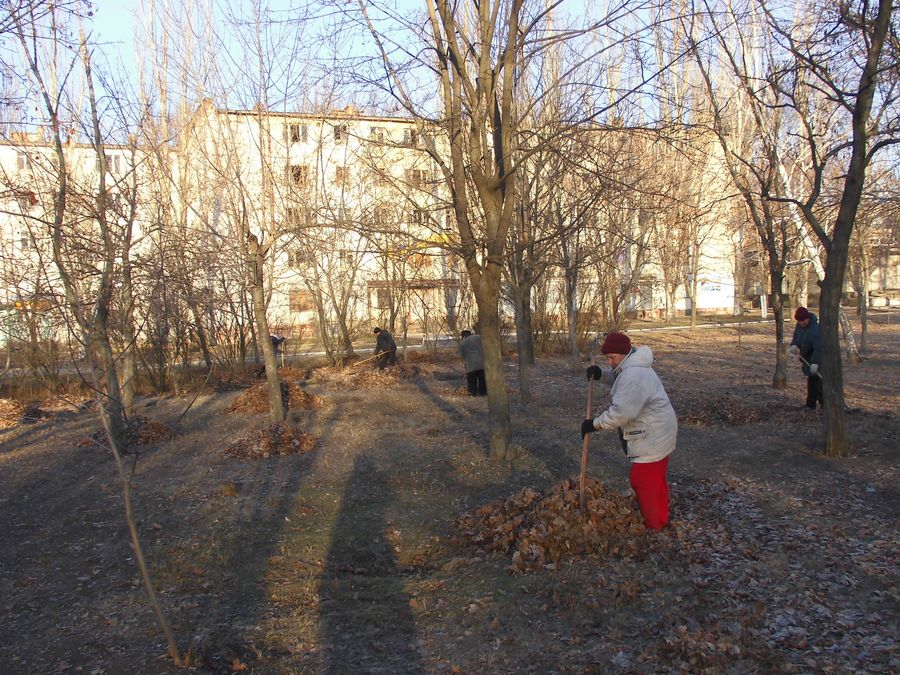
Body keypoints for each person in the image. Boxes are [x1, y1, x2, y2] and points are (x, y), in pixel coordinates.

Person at [580, 332, 677, 531]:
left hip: (654, 436)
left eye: (611, 358)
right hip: (660, 429)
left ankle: (654, 526)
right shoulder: (632, 365)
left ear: (624, 354)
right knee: (655, 478)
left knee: (642, 480)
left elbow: (621, 414)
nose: (609, 362)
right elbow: (619, 377)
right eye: (607, 358)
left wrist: (594, 424)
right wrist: (600, 375)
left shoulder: (634, 376)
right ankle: (661, 515)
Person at [789, 306, 823, 409]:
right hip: (807, 357)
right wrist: (794, 345)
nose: (802, 323)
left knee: (818, 382)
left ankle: (821, 404)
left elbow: (819, 347)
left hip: (817, 358)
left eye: (803, 320)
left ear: (808, 318)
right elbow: (796, 336)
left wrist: (815, 362)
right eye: (799, 321)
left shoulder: (815, 329)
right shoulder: (799, 326)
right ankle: (814, 404)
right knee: (813, 381)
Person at [458, 329, 487, 396]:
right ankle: (483, 392)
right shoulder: (479, 337)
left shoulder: (462, 343)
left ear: (463, 336)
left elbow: (462, 355)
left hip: (470, 363)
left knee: (472, 380)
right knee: (482, 379)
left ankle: (473, 393)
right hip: (481, 362)